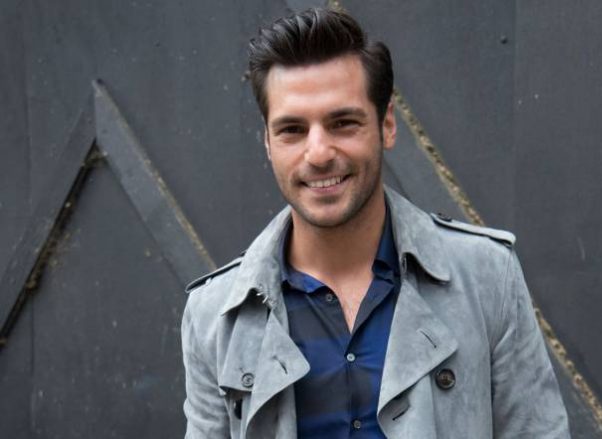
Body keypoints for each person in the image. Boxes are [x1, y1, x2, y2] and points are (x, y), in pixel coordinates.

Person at [181, 7, 569, 439]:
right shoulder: (213, 315)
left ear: (387, 126)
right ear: (268, 143)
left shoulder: (486, 278)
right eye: (292, 129)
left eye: (342, 123)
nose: (318, 153)